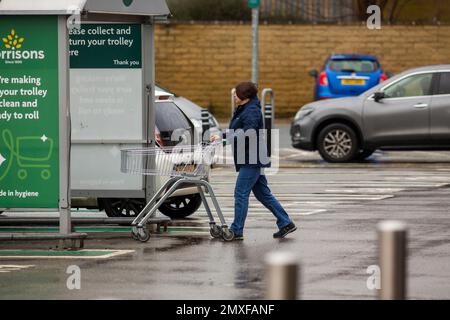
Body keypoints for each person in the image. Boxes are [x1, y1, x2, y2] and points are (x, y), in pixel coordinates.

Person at [211, 81, 296, 240]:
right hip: (250, 156)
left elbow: (247, 132)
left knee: (241, 193)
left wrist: (225, 139)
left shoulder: (251, 111)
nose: (234, 96)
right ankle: (285, 222)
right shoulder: (245, 108)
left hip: (252, 158)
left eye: (236, 93)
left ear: (244, 96)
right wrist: (223, 136)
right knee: (263, 193)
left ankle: (236, 231)